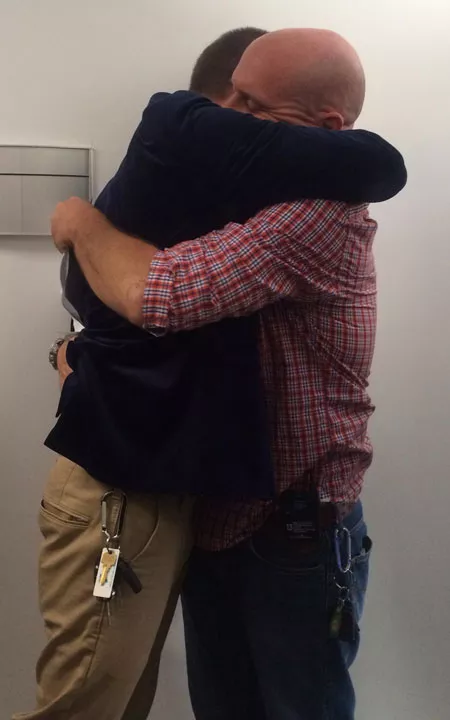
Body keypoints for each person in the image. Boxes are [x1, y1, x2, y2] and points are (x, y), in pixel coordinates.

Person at [50, 28, 405, 720]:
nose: (224, 114)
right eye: (228, 93)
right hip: (223, 518)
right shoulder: (251, 189)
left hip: (292, 531)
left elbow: (158, 295)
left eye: (252, 102)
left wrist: (77, 221)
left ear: (325, 129)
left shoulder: (315, 215)